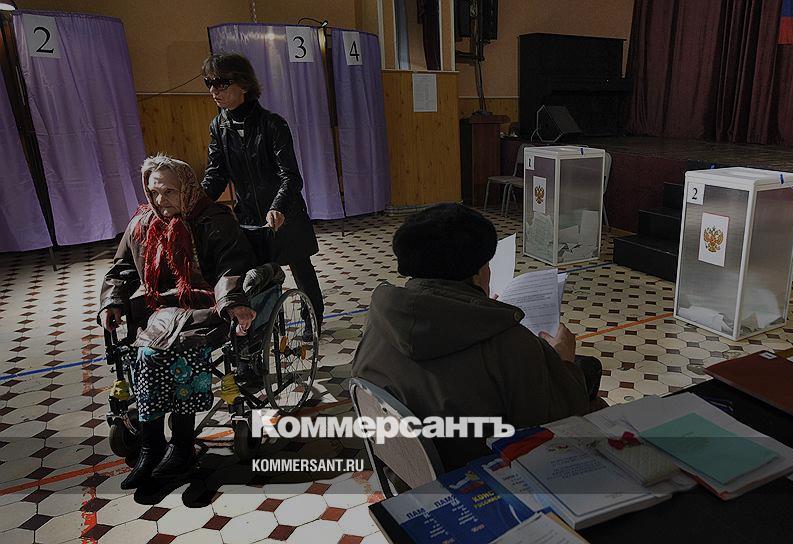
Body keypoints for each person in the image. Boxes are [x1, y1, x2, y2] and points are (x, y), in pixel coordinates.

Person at [352, 204, 604, 470]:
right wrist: (562, 362)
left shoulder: (380, 320)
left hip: (405, 472)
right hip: (481, 477)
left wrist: (475, 312)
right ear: (477, 274)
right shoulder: (511, 343)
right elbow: (552, 425)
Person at [99, 155, 257, 490]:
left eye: (169, 191)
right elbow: (122, 270)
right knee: (145, 355)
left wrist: (232, 302)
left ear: (186, 187)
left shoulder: (213, 219)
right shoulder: (142, 224)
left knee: (183, 350)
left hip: (205, 306)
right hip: (159, 310)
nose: (160, 200)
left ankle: (182, 445)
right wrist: (112, 300)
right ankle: (152, 445)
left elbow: (231, 267)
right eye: (154, 192)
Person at [200, 53, 325, 329]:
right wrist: (195, 203)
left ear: (243, 84)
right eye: (209, 83)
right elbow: (216, 175)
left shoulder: (272, 124)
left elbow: (290, 176)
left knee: (301, 270)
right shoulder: (219, 126)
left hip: (286, 214)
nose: (213, 90)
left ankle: (313, 322)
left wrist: (277, 207)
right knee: (258, 278)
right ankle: (265, 328)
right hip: (249, 217)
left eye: (221, 83)